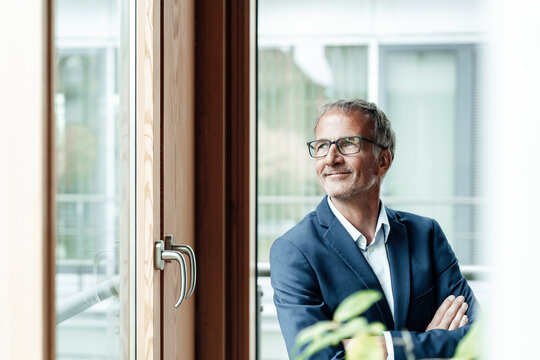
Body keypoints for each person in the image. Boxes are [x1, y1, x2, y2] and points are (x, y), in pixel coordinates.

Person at [269, 99, 479, 360]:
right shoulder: (294, 252)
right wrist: (427, 343)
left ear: (383, 161)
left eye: (347, 144)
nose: (331, 158)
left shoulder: (426, 235)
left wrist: (388, 348)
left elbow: (476, 338)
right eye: (322, 146)